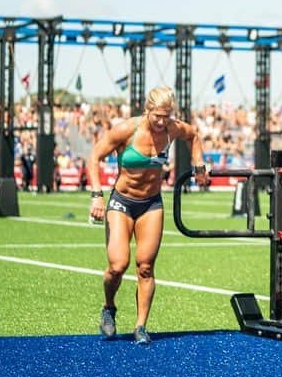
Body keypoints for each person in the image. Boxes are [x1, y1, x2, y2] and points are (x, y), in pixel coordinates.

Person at [87, 86, 208, 345]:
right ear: (147, 110)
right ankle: (109, 307)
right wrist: (96, 195)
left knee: (145, 266)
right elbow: (94, 156)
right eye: (157, 116)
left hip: (151, 203)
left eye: (167, 116)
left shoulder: (173, 128)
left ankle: (141, 326)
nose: (162, 122)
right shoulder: (126, 130)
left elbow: (194, 136)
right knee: (118, 266)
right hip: (122, 202)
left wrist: (199, 164)